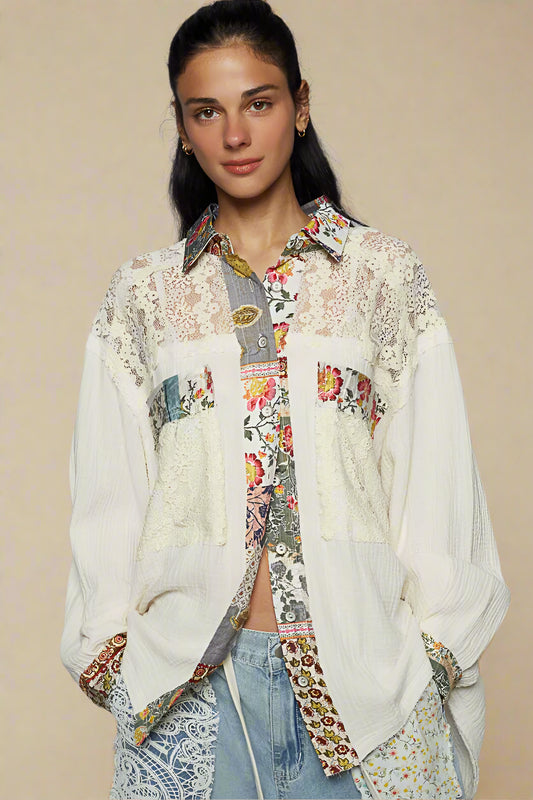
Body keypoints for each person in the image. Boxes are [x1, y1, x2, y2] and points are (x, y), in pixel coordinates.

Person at [60, 1, 510, 798]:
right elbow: (107, 498)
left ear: (300, 106)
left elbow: (437, 486)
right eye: (207, 111)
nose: (235, 135)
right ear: (182, 125)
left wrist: (432, 656)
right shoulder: (145, 296)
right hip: (192, 700)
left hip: (366, 693)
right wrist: (118, 661)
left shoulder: (381, 277)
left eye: (258, 103)